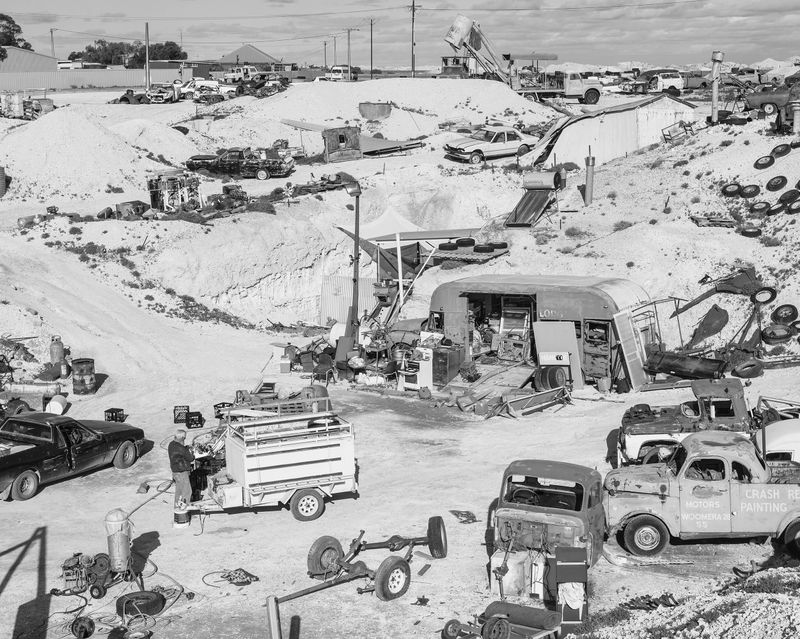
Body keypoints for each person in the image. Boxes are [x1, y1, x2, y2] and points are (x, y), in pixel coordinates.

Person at [168, 429, 194, 511]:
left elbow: (179, 451)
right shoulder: (181, 448)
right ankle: (183, 510)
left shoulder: (171, 444)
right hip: (182, 472)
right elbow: (190, 458)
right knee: (187, 492)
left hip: (175, 472)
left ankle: (177, 507)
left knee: (179, 491)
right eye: (184, 438)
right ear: (182, 438)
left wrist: (185, 448)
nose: (185, 439)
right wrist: (192, 453)